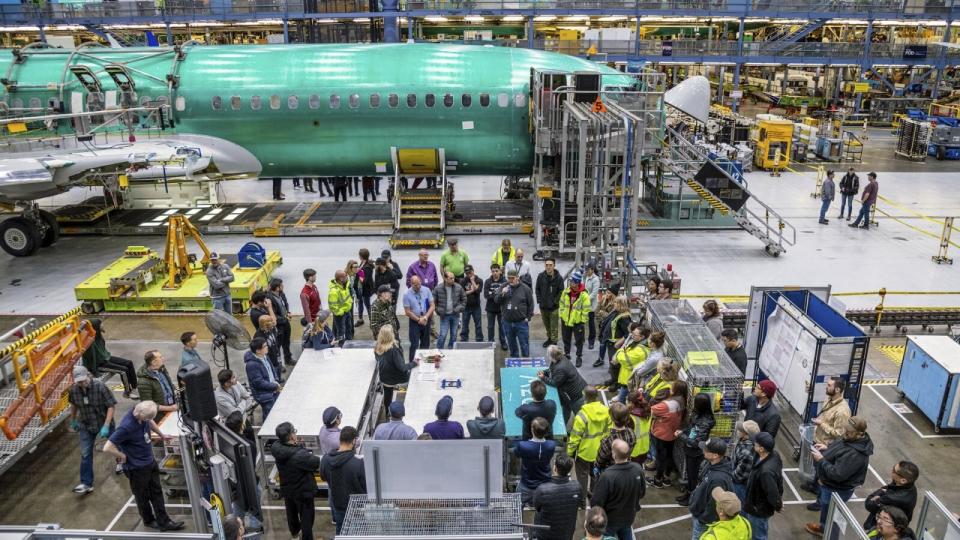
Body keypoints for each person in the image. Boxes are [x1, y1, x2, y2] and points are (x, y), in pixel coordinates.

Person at [103, 401, 185, 531]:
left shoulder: (141, 413)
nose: (149, 421)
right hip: (136, 469)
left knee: (157, 492)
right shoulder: (126, 427)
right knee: (142, 496)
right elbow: (107, 447)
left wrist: (161, 435)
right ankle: (149, 520)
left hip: (149, 462)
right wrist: (122, 456)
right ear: (140, 415)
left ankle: (164, 521)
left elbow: (150, 422)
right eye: (147, 418)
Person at [806, 416, 875, 537]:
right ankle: (823, 528)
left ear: (860, 434)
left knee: (833, 518)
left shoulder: (855, 454)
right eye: (846, 429)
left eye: (850, 431)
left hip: (837, 489)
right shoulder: (850, 438)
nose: (846, 433)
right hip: (829, 485)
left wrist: (821, 460)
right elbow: (840, 448)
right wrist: (828, 448)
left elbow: (837, 474)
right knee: (826, 509)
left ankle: (830, 535)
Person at [68, 365, 116, 494]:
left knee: (116, 445)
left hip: (102, 422)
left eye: (83, 380)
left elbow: (111, 406)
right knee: (85, 453)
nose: (82, 383)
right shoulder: (73, 390)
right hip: (86, 424)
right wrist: (73, 420)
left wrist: (106, 425)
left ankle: (122, 462)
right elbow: (73, 405)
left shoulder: (100, 386)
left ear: (88, 375)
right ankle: (86, 483)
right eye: (79, 382)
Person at [272, 421, 321, 540]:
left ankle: (294, 535)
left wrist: (298, 446)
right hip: (303, 492)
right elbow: (315, 462)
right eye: (294, 431)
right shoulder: (299, 456)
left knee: (291, 513)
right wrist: (301, 449)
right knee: (307, 518)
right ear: (292, 436)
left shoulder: (276, 448)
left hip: (288, 488)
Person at [591, 439, 646, 540]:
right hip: (629, 517)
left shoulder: (607, 476)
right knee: (626, 533)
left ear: (614, 455)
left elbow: (596, 502)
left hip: (610, 521)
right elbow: (642, 493)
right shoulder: (638, 469)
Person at [320, 426, 367, 534]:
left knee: (341, 531)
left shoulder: (326, 460)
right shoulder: (358, 463)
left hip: (338, 505)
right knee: (358, 533)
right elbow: (365, 486)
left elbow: (323, 477)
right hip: (357, 508)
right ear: (354, 441)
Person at [569, 386, 612, 502]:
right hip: (600, 452)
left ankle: (582, 500)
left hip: (584, 453)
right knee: (595, 474)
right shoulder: (607, 411)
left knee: (582, 477)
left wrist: (570, 452)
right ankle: (593, 493)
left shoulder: (582, 415)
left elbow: (575, 437)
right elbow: (609, 431)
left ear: (585, 397)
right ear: (597, 396)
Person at [688, 438, 736, 540]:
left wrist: (702, 519)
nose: (703, 450)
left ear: (715, 455)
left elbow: (714, 506)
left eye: (706, 450)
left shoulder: (718, 479)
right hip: (699, 512)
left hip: (704, 522)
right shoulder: (710, 464)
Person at [675, 393, 716, 506]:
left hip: (696, 453)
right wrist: (683, 431)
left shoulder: (705, 422)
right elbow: (691, 427)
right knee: (689, 473)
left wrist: (681, 436)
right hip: (689, 450)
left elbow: (696, 443)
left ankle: (691, 497)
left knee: (693, 477)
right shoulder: (697, 414)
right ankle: (688, 494)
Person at [81, 318, 138, 398]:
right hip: (99, 364)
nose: (103, 325)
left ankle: (134, 386)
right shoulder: (90, 341)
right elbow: (88, 359)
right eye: (101, 324)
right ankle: (127, 392)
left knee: (129, 363)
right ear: (96, 327)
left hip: (105, 358)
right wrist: (92, 371)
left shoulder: (98, 336)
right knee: (123, 371)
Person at [742, 432, 783, 540]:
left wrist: (777, 504)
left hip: (758, 510)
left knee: (758, 535)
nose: (753, 444)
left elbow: (772, 491)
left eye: (755, 443)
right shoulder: (773, 454)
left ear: (761, 449)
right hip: (756, 503)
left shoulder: (766, 472)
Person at [648, 380, 688, 489]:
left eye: (672, 386)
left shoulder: (668, 404)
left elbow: (650, 410)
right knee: (669, 455)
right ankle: (666, 477)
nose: (670, 387)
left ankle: (658, 479)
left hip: (662, 433)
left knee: (661, 457)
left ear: (675, 390)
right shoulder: (682, 401)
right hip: (672, 433)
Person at [533, 453, 581, 540]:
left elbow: (536, 506)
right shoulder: (577, 487)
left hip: (545, 534)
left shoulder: (542, 490)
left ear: (555, 468)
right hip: (566, 534)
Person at [862, 461, 919, 531]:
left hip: (882, 528)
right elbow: (889, 487)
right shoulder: (909, 486)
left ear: (903, 480)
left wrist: (881, 491)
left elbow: (869, 504)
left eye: (894, 471)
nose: (891, 471)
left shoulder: (893, 498)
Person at [540, 344, 587, 425]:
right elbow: (552, 369)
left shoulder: (561, 368)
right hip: (568, 396)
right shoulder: (559, 359)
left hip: (576, 397)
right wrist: (545, 372)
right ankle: (563, 426)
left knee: (580, 418)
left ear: (552, 356)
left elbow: (555, 383)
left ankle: (582, 432)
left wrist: (543, 378)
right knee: (566, 409)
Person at [514, 417, 558, 504]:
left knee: (517, 507)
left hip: (527, 486)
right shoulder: (551, 445)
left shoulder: (523, 446)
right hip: (545, 486)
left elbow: (516, 453)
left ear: (532, 430)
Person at [375, 325, 417, 409]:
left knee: (387, 395)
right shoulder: (394, 350)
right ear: (391, 335)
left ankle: (387, 411)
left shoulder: (377, 346)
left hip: (384, 378)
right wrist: (414, 363)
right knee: (415, 376)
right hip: (396, 378)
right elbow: (402, 367)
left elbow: (377, 359)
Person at [559, 270, 591, 367]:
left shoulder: (584, 295)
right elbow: (561, 303)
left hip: (577, 323)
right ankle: (567, 354)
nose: (570, 283)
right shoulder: (566, 292)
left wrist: (582, 321)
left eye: (572, 281)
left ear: (577, 283)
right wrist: (562, 315)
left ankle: (578, 357)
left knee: (579, 341)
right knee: (566, 339)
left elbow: (586, 310)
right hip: (566, 321)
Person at [595, 402, 637, 475]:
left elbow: (600, 459)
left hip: (610, 470)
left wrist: (597, 466)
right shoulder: (631, 433)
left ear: (612, 418)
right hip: (626, 467)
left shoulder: (608, 440)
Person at [500, 269, 534, 357]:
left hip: (521, 323)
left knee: (524, 344)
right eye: (509, 278)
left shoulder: (525, 289)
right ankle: (515, 361)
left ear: (517, 277)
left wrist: (528, 318)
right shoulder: (504, 286)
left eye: (512, 278)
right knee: (512, 345)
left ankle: (526, 360)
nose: (510, 280)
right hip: (507, 322)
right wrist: (502, 293)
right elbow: (496, 300)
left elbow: (531, 304)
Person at [244, 338, 281, 419]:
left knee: (276, 414)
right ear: (258, 350)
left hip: (273, 389)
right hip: (264, 395)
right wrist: (274, 386)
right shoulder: (251, 365)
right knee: (269, 417)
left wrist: (276, 380)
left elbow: (271, 369)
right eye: (265, 346)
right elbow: (258, 383)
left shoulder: (264, 356)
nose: (267, 347)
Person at [612, 324, 650, 402]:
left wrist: (620, 350)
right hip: (627, 378)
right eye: (632, 333)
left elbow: (624, 359)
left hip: (630, 381)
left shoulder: (641, 350)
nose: (632, 336)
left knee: (622, 400)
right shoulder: (636, 343)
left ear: (642, 337)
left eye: (635, 335)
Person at [136, 350, 177, 421]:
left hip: (172, 408)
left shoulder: (162, 369)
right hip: (160, 416)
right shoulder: (144, 382)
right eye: (160, 357)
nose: (163, 359)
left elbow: (169, 384)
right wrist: (170, 408)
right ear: (154, 362)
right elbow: (148, 405)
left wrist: (175, 392)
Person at [403, 275, 435, 362]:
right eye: (415, 285)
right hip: (414, 321)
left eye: (419, 284)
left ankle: (424, 362)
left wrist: (426, 317)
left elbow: (432, 306)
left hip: (426, 319)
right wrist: (418, 320)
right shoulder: (406, 294)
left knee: (425, 344)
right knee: (414, 344)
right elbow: (407, 311)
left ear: (421, 282)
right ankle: (412, 365)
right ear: (411, 284)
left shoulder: (427, 290)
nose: (418, 287)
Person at [536, 258, 564, 348]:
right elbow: (537, 289)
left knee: (554, 327)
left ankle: (554, 342)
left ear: (554, 266)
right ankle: (549, 339)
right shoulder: (541, 276)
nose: (548, 267)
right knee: (547, 326)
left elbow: (561, 292)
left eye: (550, 265)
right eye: (546, 265)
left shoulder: (559, 278)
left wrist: (555, 302)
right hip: (543, 307)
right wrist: (539, 300)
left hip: (554, 308)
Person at [434, 270, 466, 349]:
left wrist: (460, 308)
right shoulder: (438, 288)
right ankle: (439, 350)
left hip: (455, 314)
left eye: (453, 278)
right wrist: (438, 310)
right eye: (451, 278)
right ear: (445, 278)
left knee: (454, 334)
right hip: (444, 315)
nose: (453, 280)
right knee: (443, 334)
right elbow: (433, 302)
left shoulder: (458, 287)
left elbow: (464, 299)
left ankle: (451, 349)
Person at [731, 420, 761, 501]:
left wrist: (728, 476)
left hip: (740, 485)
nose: (738, 431)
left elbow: (739, 476)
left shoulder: (747, 453)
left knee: (740, 507)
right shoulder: (743, 441)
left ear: (747, 435)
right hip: (737, 475)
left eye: (740, 430)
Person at [267, 277, 294, 364]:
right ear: (277, 287)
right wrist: (284, 318)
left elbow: (285, 304)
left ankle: (288, 359)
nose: (283, 286)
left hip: (285, 322)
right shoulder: (269, 298)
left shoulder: (281, 294)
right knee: (278, 345)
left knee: (287, 342)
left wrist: (288, 312)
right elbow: (273, 314)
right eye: (281, 285)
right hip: (278, 325)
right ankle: (278, 363)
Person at [593, 284, 620, 368]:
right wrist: (600, 314)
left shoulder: (616, 303)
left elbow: (612, 316)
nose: (606, 294)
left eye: (608, 293)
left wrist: (602, 313)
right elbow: (597, 310)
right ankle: (601, 359)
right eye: (606, 292)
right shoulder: (604, 299)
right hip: (601, 323)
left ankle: (609, 362)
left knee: (606, 344)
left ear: (613, 294)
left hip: (610, 327)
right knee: (602, 342)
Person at [484, 263, 508, 350]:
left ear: (500, 271)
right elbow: (486, 295)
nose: (495, 273)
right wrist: (499, 294)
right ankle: (491, 342)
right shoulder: (487, 281)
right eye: (493, 271)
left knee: (502, 327)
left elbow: (506, 295)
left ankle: (503, 342)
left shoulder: (504, 281)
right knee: (490, 327)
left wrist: (493, 293)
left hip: (501, 309)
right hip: (490, 309)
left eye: (496, 271)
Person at [459, 265, 484, 342]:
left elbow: (478, 291)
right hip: (466, 306)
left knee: (478, 324)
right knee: (465, 324)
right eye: (467, 273)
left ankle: (479, 339)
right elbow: (462, 293)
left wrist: (472, 281)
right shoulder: (463, 281)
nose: (468, 274)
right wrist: (472, 290)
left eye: (470, 272)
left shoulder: (479, 280)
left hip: (476, 306)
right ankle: (464, 338)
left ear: (473, 271)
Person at [329, 269, 355, 343]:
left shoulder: (345, 285)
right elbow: (333, 306)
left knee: (348, 330)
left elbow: (347, 297)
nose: (347, 277)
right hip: (340, 315)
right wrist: (341, 312)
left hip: (347, 311)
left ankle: (349, 344)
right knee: (341, 333)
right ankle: (342, 347)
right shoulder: (334, 291)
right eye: (346, 276)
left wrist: (349, 304)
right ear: (341, 278)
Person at [355, 249, 375, 328]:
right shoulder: (363, 263)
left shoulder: (367, 267)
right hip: (361, 289)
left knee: (367, 305)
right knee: (360, 304)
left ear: (361, 256)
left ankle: (372, 322)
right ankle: (360, 319)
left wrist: (358, 272)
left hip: (366, 289)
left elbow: (364, 280)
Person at [583, 265, 601, 351]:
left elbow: (594, 294)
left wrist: (584, 300)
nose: (586, 271)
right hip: (584, 304)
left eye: (588, 269)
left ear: (592, 269)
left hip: (590, 305)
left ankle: (591, 341)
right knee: (581, 321)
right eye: (585, 270)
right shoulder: (587, 277)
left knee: (591, 323)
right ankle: (581, 339)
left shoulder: (596, 279)